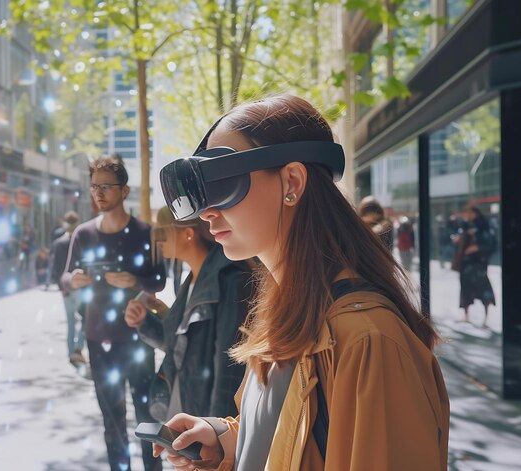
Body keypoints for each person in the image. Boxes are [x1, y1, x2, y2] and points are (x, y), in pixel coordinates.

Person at [154, 95, 449, 470]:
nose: (207, 212)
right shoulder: (287, 308)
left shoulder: (370, 342)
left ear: (292, 181)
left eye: (223, 182)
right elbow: (293, 432)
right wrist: (225, 439)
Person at [62, 156, 166, 471]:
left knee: (147, 417)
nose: (99, 193)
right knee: (112, 420)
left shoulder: (144, 233)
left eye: (106, 186)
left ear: (124, 191)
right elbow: (64, 278)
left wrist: (135, 281)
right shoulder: (82, 234)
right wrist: (74, 280)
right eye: (94, 186)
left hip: (138, 337)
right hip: (98, 339)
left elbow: (159, 280)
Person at [124, 207, 252, 422]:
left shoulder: (229, 280)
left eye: (162, 234)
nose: (158, 241)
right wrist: (144, 321)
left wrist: (217, 433)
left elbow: (229, 371)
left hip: (205, 418)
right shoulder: (193, 279)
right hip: (186, 404)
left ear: (188, 234)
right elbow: (178, 346)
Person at [50, 211, 86, 367]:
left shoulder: (58, 243)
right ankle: (77, 349)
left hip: (66, 289)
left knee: (71, 322)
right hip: (79, 287)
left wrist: (61, 287)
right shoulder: (82, 242)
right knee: (84, 320)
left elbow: (56, 269)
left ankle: (71, 351)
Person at [452, 205, 496, 326]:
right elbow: (462, 239)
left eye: (470, 213)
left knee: (483, 288)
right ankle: (466, 315)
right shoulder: (466, 225)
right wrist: (459, 240)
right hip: (465, 264)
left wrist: (478, 248)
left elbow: (492, 244)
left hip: (478, 264)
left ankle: (486, 318)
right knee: (465, 289)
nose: (468, 215)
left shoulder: (484, 226)